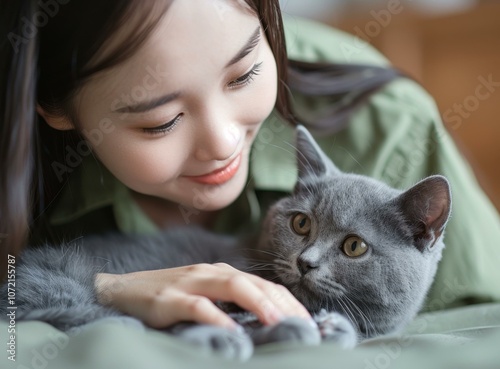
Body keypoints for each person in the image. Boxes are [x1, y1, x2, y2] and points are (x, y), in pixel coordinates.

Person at [1, 0, 499, 332]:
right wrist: (109, 288)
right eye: (160, 120)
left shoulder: (388, 125)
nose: (223, 142)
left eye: (246, 74)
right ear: (56, 110)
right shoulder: (18, 143)